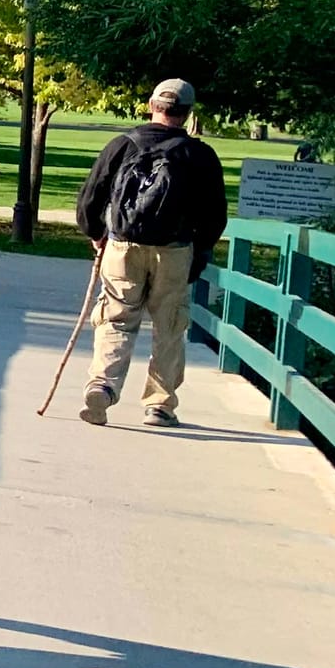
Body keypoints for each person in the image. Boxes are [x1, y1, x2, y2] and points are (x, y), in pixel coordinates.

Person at [73, 78, 228, 428]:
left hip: (123, 246)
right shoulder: (200, 155)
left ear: (150, 104)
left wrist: (97, 234)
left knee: (116, 318)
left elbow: (90, 198)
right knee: (169, 326)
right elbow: (215, 215)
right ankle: (159, 405)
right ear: (188, 113)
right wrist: (199, 251)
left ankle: (103, 384)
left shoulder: (122, 145)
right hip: (174, 251)